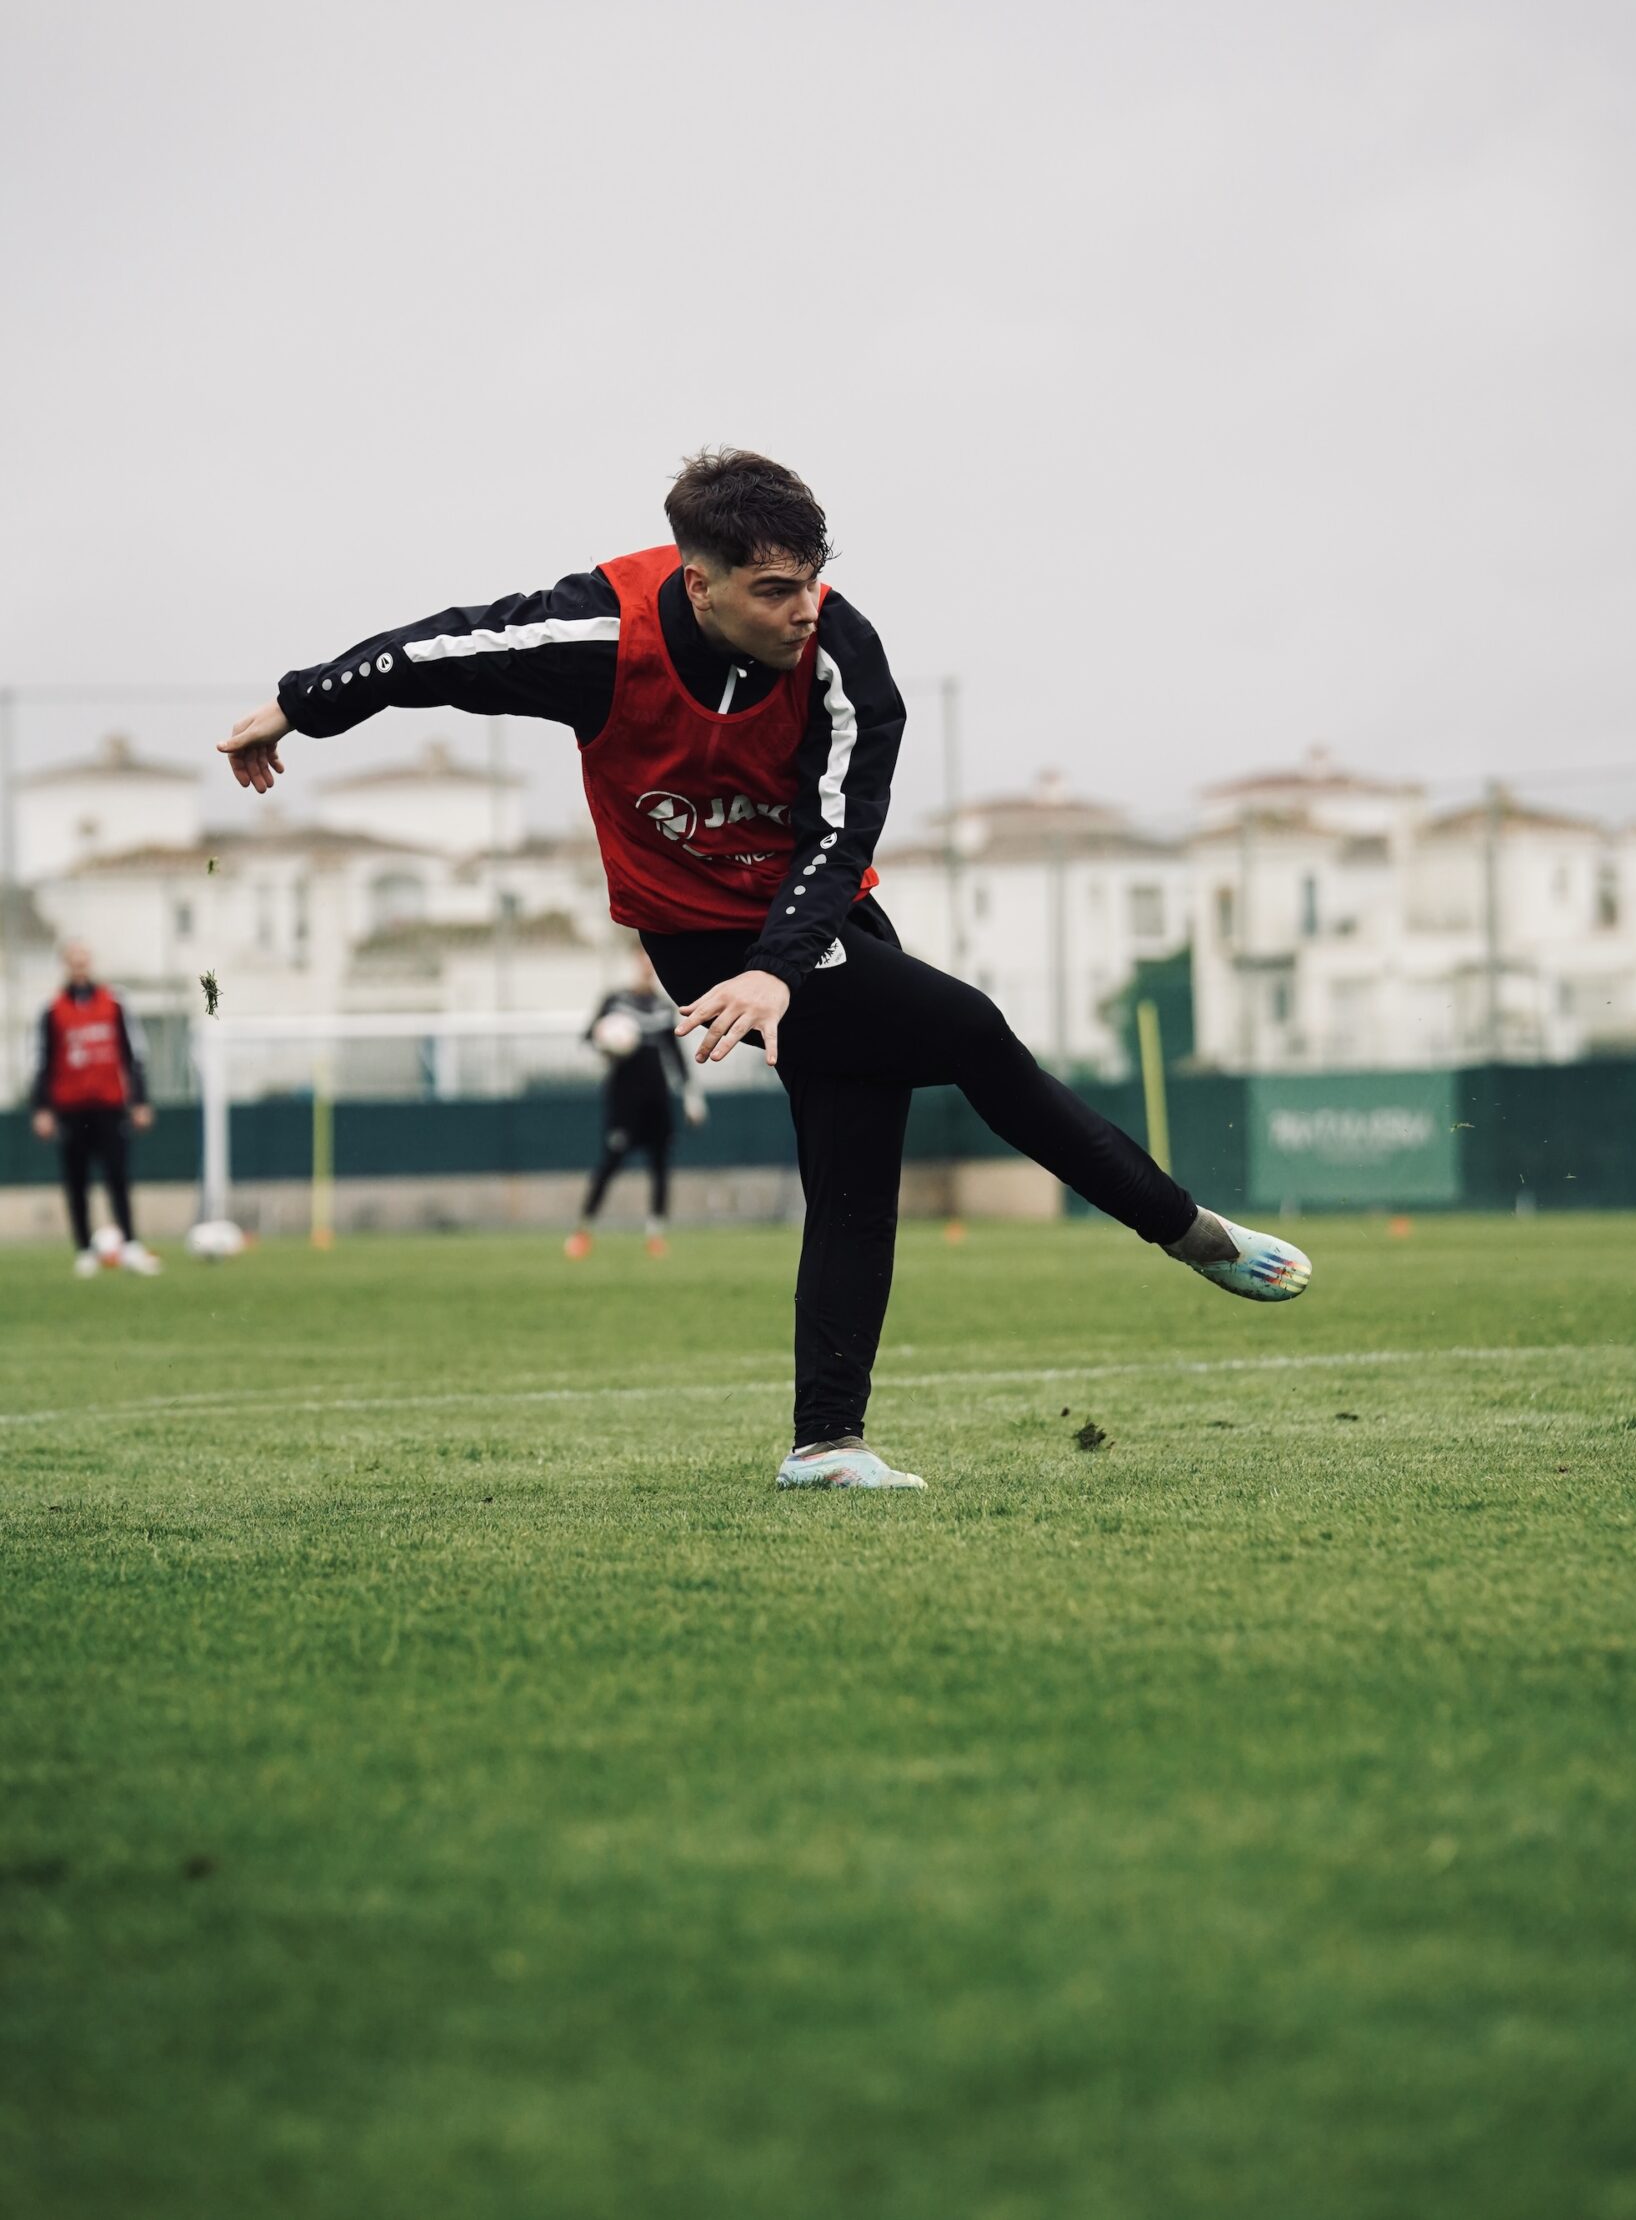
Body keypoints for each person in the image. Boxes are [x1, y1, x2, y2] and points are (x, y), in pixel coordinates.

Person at [217, 447, 1309, 1489]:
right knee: (970, 1031)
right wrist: (298, 704)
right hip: (698, 936)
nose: (803, 609)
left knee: (855, 1171)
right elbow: (433, 656)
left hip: (821, 918)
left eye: (812, 582)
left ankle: (825, 1443)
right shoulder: (598, 637)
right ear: (698, 585)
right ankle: (1184, 1229)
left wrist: (782, 967)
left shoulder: (843, 656)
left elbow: (841, 835)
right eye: (775, 589)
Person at [31, 943, 162, 1276]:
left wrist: (140, 1100)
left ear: (90, 964)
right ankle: (84, 1250)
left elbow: (133, 1054)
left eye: (84, 962)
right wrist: (42, 1108)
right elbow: (43, 1061)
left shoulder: (114, 1004)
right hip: (71, 1109)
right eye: (73, 962)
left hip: (109, 1106)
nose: (79, 968)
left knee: (118, 1176)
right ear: (66, 966)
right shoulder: (52, 1009)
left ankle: (130, 1244)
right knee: (76, 1181)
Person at [567, 946, 706, 1261]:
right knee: (611, 1162)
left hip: (657, 1098)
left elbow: (675, 1055)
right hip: (623, 1099)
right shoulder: (615, 1002)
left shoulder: (662, 1008)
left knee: (660, 1165)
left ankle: (655, 1235)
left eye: (651, 960)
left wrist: (691, 1097)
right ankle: (583, 1230)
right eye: (642, 959)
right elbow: (588, 1037)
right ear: (634, 961)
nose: (647, 966)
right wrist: (606, 1042)